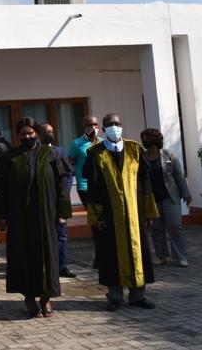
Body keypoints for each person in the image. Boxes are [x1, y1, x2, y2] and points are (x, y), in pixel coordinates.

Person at [0, 118, 72, 318]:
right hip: (20, 218)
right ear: (18, 136)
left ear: (37, 133)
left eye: (30, 133)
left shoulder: (51, 154)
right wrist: (1, 215)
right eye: (23, 134)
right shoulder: (9, 158)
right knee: (23, 257)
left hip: (46, 216)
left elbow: (63, 185)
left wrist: (63, 212)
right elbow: (0, 188)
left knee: (47, 256)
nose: (27, 137)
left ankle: (46, 298)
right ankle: (29, 297)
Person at [83, 113, 159, 311]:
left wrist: (149, 211)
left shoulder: (135, 149)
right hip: (109, 215)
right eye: (109, 124)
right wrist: (95, 216)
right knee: (111, 255)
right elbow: (93, 188)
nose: (113, 127)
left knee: (138, 252)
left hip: (135, 213)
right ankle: (115, 297)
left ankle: (138, 296)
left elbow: (145, 181)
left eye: (117, 124)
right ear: (103, 128)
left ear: (122, 126)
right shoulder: (95, 153)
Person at [141, 128, 191, 267]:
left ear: (155, 140)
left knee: (175, 225)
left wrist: (186, 193)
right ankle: (162, 256)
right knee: (157, 228)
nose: (145, 141)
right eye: (144, 138)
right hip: (152, 198)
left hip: (170, 196)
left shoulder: (169, 155)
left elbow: (178, 175)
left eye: (147, 138)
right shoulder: (142, 157)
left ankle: (181, 256)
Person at [38, 123, 76, 279]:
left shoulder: (60, 152)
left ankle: (62, 266)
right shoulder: (35, 152)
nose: (49, 134)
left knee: (61, 235)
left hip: (58, 201)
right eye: (46, 131)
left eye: (51, 131)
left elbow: (67, 177)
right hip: (40, 202)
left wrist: (63, 202)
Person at [68, 115, 103, 268]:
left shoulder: (104, 143)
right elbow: (70, 162)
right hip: (85, 186)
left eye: (94, 124)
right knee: (95, 219)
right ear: (83, 127)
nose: (92, 127)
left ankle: (106, 252)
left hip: (101, 186)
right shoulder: (76, 143)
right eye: (89, 124)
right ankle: (99, 256)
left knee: (104, 218)